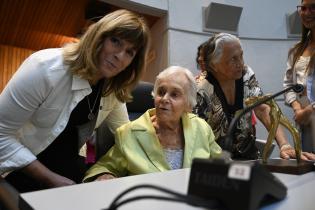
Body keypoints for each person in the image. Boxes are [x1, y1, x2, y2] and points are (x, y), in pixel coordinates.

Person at [0, 9, 150, 192]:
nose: (119, 55)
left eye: (130, 52)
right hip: (19, 172)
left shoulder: (112, 88)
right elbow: (1, 136)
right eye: (115, 41)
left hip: (69, 171)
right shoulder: (44, 68)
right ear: (98, 36)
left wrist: (101, 169)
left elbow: (126, 134)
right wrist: (49, 178)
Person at [83, 66, 222, 182]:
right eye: (161, 92)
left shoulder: (201, 128)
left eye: (174, 95)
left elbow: (222, 165)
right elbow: (102, 167)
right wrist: (105, 175)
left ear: (188, 104)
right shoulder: (129, 133)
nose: (164, 99)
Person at [193, 32, 315, 160]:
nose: (240, 63)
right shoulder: (200, 89)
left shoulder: (246, 74)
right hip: (215, 163)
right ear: (214, 65)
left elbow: (263, 109)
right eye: (233, 59)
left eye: (241, 56)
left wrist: (284, 145)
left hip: (248, 156)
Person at [283, 0, 315, 153]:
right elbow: (288, 84)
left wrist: (309, 110)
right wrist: (297, 110)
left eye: (313, 7)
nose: (307, 13)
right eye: (303, 8)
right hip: (304, 122)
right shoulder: (296, 50)